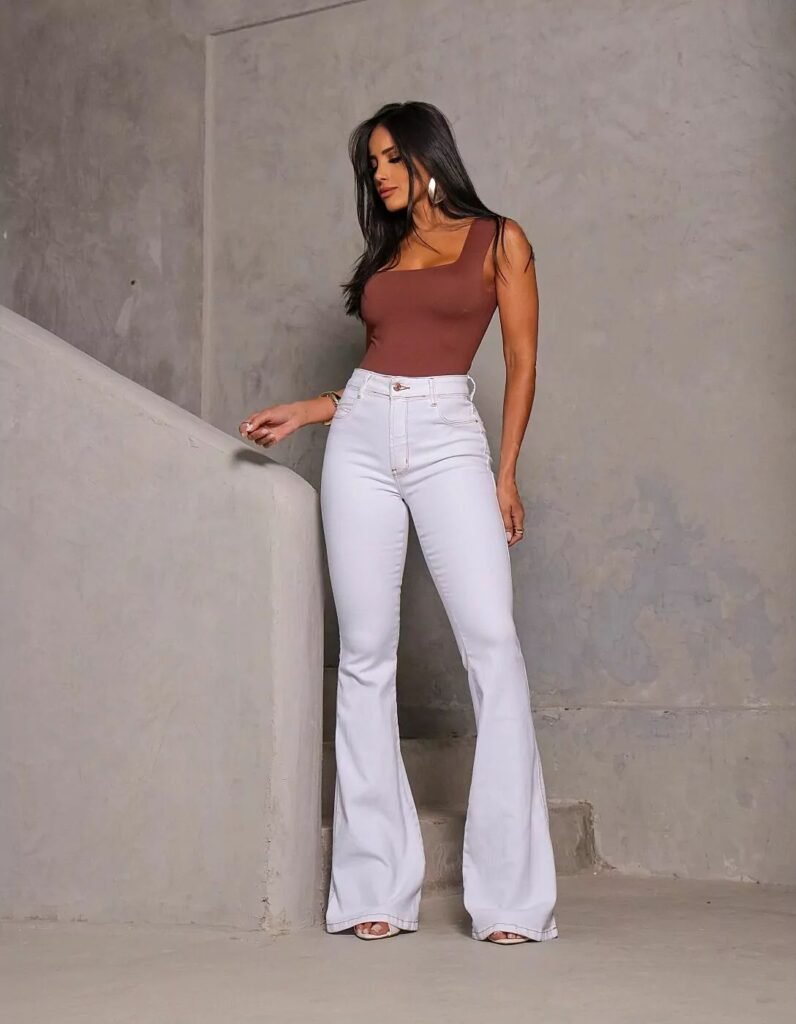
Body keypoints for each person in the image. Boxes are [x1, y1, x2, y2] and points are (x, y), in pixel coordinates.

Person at [240, 101, 558, 945]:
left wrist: (505, 473)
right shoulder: (386, 253)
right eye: (370, 163)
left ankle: (511, 899)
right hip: (359, 440)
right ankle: (373, 887)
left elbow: (521, 361)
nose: (377, 174)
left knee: (492, 646)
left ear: (426, 154)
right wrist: (312, 409)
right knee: (365, 656)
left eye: (389, 158)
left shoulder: (500, 239)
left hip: (450, 440)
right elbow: (380, 373)